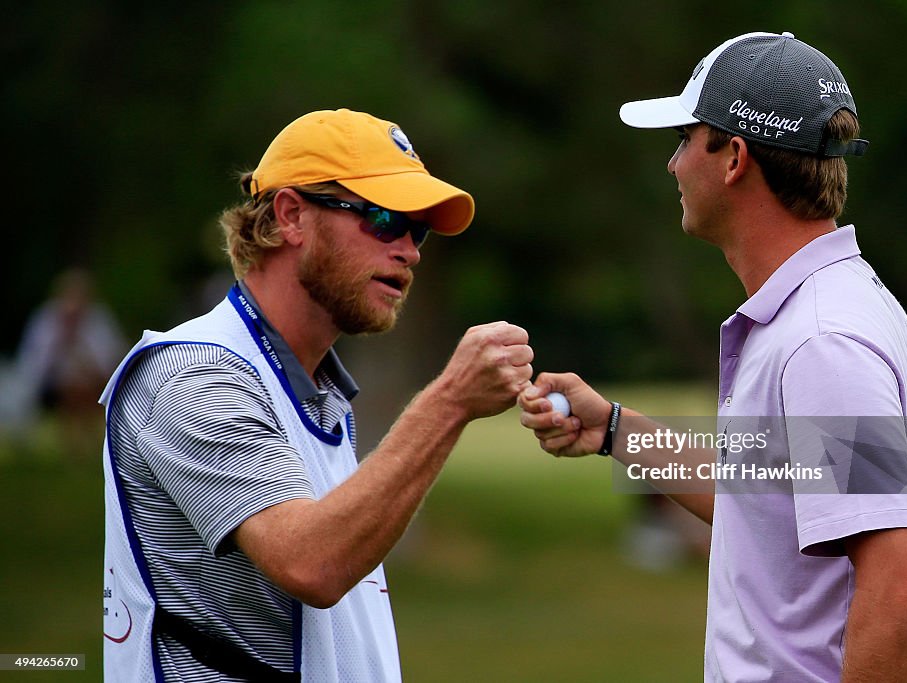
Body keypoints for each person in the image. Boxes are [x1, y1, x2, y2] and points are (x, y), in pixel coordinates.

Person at [520, 32, 907, 682]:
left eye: (685, 139)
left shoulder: (821, 340)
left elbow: (899, 585)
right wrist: (614, 430)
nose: (672, 165)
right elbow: (766, 501)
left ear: (734, 158)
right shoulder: (819, 311)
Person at [102, 109, 534, 681]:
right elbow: (312, 562)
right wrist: (450, 402)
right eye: (384, 219)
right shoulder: (191, 373)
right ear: (290, 217)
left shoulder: (315, 389)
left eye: (418, 229)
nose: (411, 251)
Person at [13, 268, 124, 456]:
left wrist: (83, 349)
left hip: (92, 384)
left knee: (82, 388)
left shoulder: (98, 320)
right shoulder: (45, 320)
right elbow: (34, 364)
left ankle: (87, 442)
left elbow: (112, 360)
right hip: (55, 387)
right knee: (72, 389)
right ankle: (79, 443)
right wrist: (61, 342)